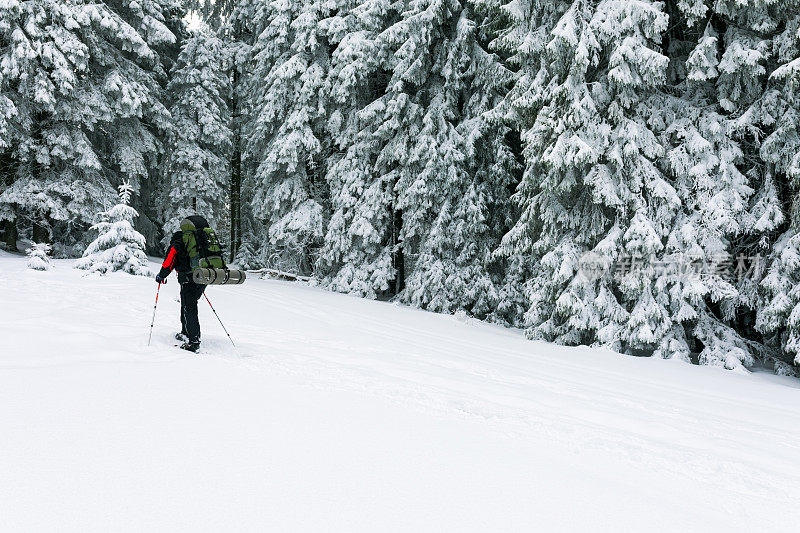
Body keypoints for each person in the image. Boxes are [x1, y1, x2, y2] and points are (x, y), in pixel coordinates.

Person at [156, 230, 205, 352]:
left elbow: (168, 263)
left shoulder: (177, 245)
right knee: (187, 305)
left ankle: (193, 341)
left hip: (188, 279)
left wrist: (161, 276)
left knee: (189, 308)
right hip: (203, 278)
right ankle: (186, 332)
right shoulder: (198, 244)